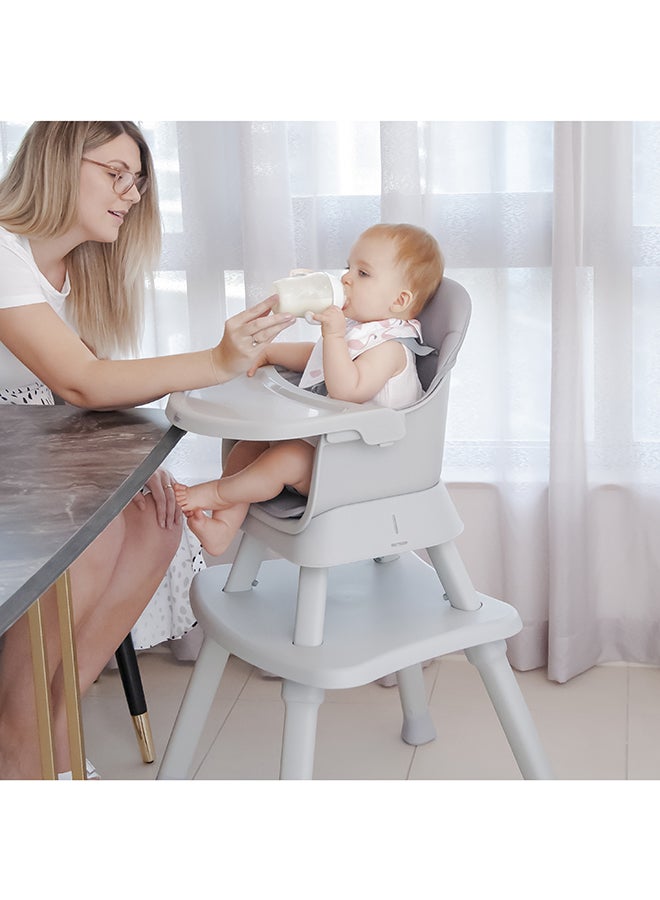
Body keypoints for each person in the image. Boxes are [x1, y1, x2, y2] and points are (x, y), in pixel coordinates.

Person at [0, 121, 294, 779]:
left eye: (137, 182)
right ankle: (19, 749)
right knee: (94, 538)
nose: (130, 194)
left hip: (32, 453)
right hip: (16, 459)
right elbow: (79, 381)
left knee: (156, 528)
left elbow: (88, 383)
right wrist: (219, 360)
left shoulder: (77, 270)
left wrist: (137, 466)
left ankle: (54, 730)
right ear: (57, 162)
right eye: (115, 174)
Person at [173, 223, 444, 558]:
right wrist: (272, 352)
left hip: (365, 467)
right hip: (332, 449)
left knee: (285, 460)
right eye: (348, 268)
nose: (345, 279)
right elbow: (317, 359)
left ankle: (217, 493)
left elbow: (348, 388)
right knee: (247, 448)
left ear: (399, 300)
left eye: (362, 273)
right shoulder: (362, 330)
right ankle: (222, 528)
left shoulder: (390, 349)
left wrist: (333, 337)